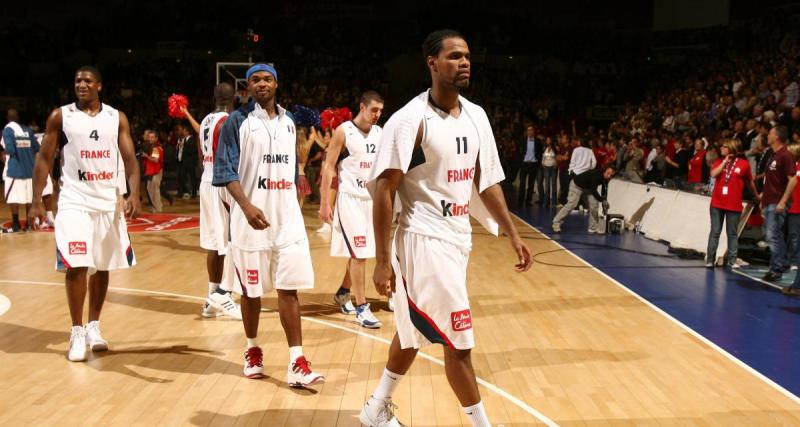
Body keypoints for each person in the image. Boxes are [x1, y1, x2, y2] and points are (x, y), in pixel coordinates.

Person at [360, 29, 533, 427]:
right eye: (454, 56)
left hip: (458, 237)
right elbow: (384, 191)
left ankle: (375, 408)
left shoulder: (477, 116)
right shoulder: (409, 120)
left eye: (467, 56)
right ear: (432, 63)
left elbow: (486, 180)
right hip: (422, 238)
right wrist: (382, 260)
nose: (465, 62)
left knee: (414, 331)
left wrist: (512, 233)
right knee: (460, 342)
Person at [213, 63, 324, 386]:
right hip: (250, 221)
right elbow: (225, 171)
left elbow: (291, 172)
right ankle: (252, 348)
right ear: (246, 87)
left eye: (267, 78)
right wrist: (246, 206)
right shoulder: (237, 121)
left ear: (277, 83)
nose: (262, 84)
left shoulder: (290, 122)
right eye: (255, 80)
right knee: (251, 293)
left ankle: (296, 361)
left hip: (287, 221)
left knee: (289, 290)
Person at [31, 65, 141, 362]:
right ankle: (77, 330)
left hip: (106, 200)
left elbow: (130, 159)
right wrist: (36, 200)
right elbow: (44, 158)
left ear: (99, 86)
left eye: (87, 80)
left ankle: (94, 325)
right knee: (77, 264)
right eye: (77, 80)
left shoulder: (115, 117)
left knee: (102, 265)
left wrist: (134, 193)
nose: (81, 84)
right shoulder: (61, 116)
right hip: (74, 200)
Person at [319, 91, 385, 328]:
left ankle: (343, 292)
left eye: (380, 111)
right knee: (359, 255)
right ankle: (361, 307)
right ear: (362, 107)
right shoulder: (343, 131)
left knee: (363, 252)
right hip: (349, 200)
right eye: (374, 110)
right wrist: (325, 202)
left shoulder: (380, 133)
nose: (377, 115)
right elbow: (328, 168)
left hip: (372, 200)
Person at [183, 85, 243, 319]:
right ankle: (224, 294)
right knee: (232, 242)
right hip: (223, 184)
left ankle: (211, 300)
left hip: (206, 182)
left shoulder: (206, 120)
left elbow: (201, 155)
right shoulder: (230, 121)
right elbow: (232, 156)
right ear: (234, 99)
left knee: (215, 244)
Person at [705, 139, 757, 268]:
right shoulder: (718, 161)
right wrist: (724, 162)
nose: (721, 148)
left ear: (731, 148)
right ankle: (710, 260)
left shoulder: (744, 164)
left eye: (724, 146)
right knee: (715, 232)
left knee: (732, 233)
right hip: (717, 203)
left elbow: (750, 182)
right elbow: (713, 174)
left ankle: (732, 261)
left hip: (734, 204)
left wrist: (755, 195)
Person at [762, 126, 794, 281]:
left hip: (777, 201)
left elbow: (793, 180)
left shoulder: (785, 155)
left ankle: (776, 270)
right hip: (769, 200)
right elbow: (772, 180)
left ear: (777, 137)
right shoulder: (773, 155)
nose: (768, 135)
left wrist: (783, 200)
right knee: (776, 236)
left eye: (770, 133)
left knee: (772, 236)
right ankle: (780, 265)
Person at [3, 108, 39, 232]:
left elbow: (10, 150)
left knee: (14, 198)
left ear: (7, 118)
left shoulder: (7, 130)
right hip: (30, 170)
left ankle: (16, 224)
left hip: (15, 171)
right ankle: (29, 225)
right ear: (18, 117)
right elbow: (37, 148)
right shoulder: (28, 130)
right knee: (29, 198)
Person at [552, 164, 616, 233]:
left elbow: (604, 188)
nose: (609, 176)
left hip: (587, 188)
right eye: (608, 173)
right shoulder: (597, 175)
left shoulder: (607, 178)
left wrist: (604, 200)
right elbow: (593, 190)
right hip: (577, 186)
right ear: (605, 170)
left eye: (611, 175)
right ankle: (556, 222)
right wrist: (601, 200)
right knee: (572, 204)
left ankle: (593, 228)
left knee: (594, 205)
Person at [517, 124, 543, 206]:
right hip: (524, 164)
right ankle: (520, 201)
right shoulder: (523, 140)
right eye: (528, 130)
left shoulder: (538, 141)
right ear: (526, 132)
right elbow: (519, 151)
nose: (529, 132)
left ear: (533, 131)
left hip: (533, 165)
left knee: (531, 184)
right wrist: (520, 162)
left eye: (531, 130)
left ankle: (528, 201)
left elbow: (540, 153)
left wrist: (538, 163)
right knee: (522, 184)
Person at [141, 130, 165, 212]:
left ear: (156, 138)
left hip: (156, 172)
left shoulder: (156, 148)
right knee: (149, 188)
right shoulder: (153, 147)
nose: (150, 139)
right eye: (149, 137)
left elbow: (155, 160)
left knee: (155, 189)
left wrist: (146, 156)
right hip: (152, 171)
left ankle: (158, 208)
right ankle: (156, 206)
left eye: (152, 137)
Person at [175, 122, 199, 199]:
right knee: (182, 177)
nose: (183, 132)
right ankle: (181, 193)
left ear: (188, 132)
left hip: (190, 162)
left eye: (184, 130)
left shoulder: (191, 139)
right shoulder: (182, 140)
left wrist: (184, 146)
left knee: (192, 178)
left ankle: (194, 193)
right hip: (183, 162)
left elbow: (192, 151)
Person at [540, 136, 557, 206]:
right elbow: (542, 157)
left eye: (549, 140)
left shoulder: (555, 148)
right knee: (547, 185)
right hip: (546, 167)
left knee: (553, 185)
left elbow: (557, 157)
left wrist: (556, 163)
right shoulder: (544, 148)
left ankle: (553, 202)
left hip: (553, 168)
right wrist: (542, 163)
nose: (548, 141)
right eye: (547, 140)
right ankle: (546, 202)